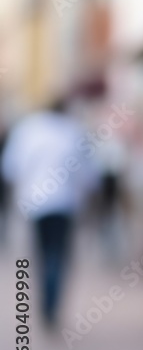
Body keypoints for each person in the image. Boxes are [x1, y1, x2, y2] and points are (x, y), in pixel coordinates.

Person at [1, 97, 95, 326]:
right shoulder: (72, 131)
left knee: (42, 253)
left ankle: (46, 298)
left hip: (36, 203)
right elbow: (90, 173)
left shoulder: (28, 130)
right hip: (64, 204)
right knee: (58, 254)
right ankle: (51, 302)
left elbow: (11, 167)